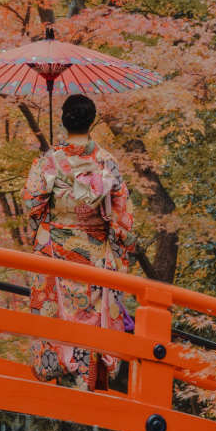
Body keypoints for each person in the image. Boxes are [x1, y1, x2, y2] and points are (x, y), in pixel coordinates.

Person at [22, 93, 135, 390]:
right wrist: (118, 252)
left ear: (62, 120)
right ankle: (86, 384)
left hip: (56, 254)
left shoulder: (49, 161)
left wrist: (43, 226)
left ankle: (59, 378)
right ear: (93, 121)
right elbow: (124, 222)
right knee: (91, 320)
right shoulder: (107, 163)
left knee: (57, 319)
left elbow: (31, 205)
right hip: (95, 258)